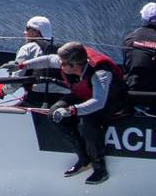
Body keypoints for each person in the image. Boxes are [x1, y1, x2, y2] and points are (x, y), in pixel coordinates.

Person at [35, 41, 129, 184]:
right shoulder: (69, 62)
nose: (60, 65)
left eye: (63, 64)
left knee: (88, 121)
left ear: (75, 65)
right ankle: (84, 159)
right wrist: (21, 65)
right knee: (54, 114)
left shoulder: (100, 72)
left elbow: (98, 102)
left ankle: (100, 169)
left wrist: (71, 110)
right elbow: (48, 60)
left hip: (111, 101)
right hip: (85, 95)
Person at [121, 1, 156, 115]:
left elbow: (127, 65)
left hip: (130, 91)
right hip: (153, 95)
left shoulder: (129, 39)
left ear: (143, 18)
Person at [0, 15, 56, 106]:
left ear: (36, 32)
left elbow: (16, 82)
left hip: (35, 100)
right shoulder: (59, 50)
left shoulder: (27, 48)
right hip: (59, 101)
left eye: (27, 29)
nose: (24, 33)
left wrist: (2, 90)